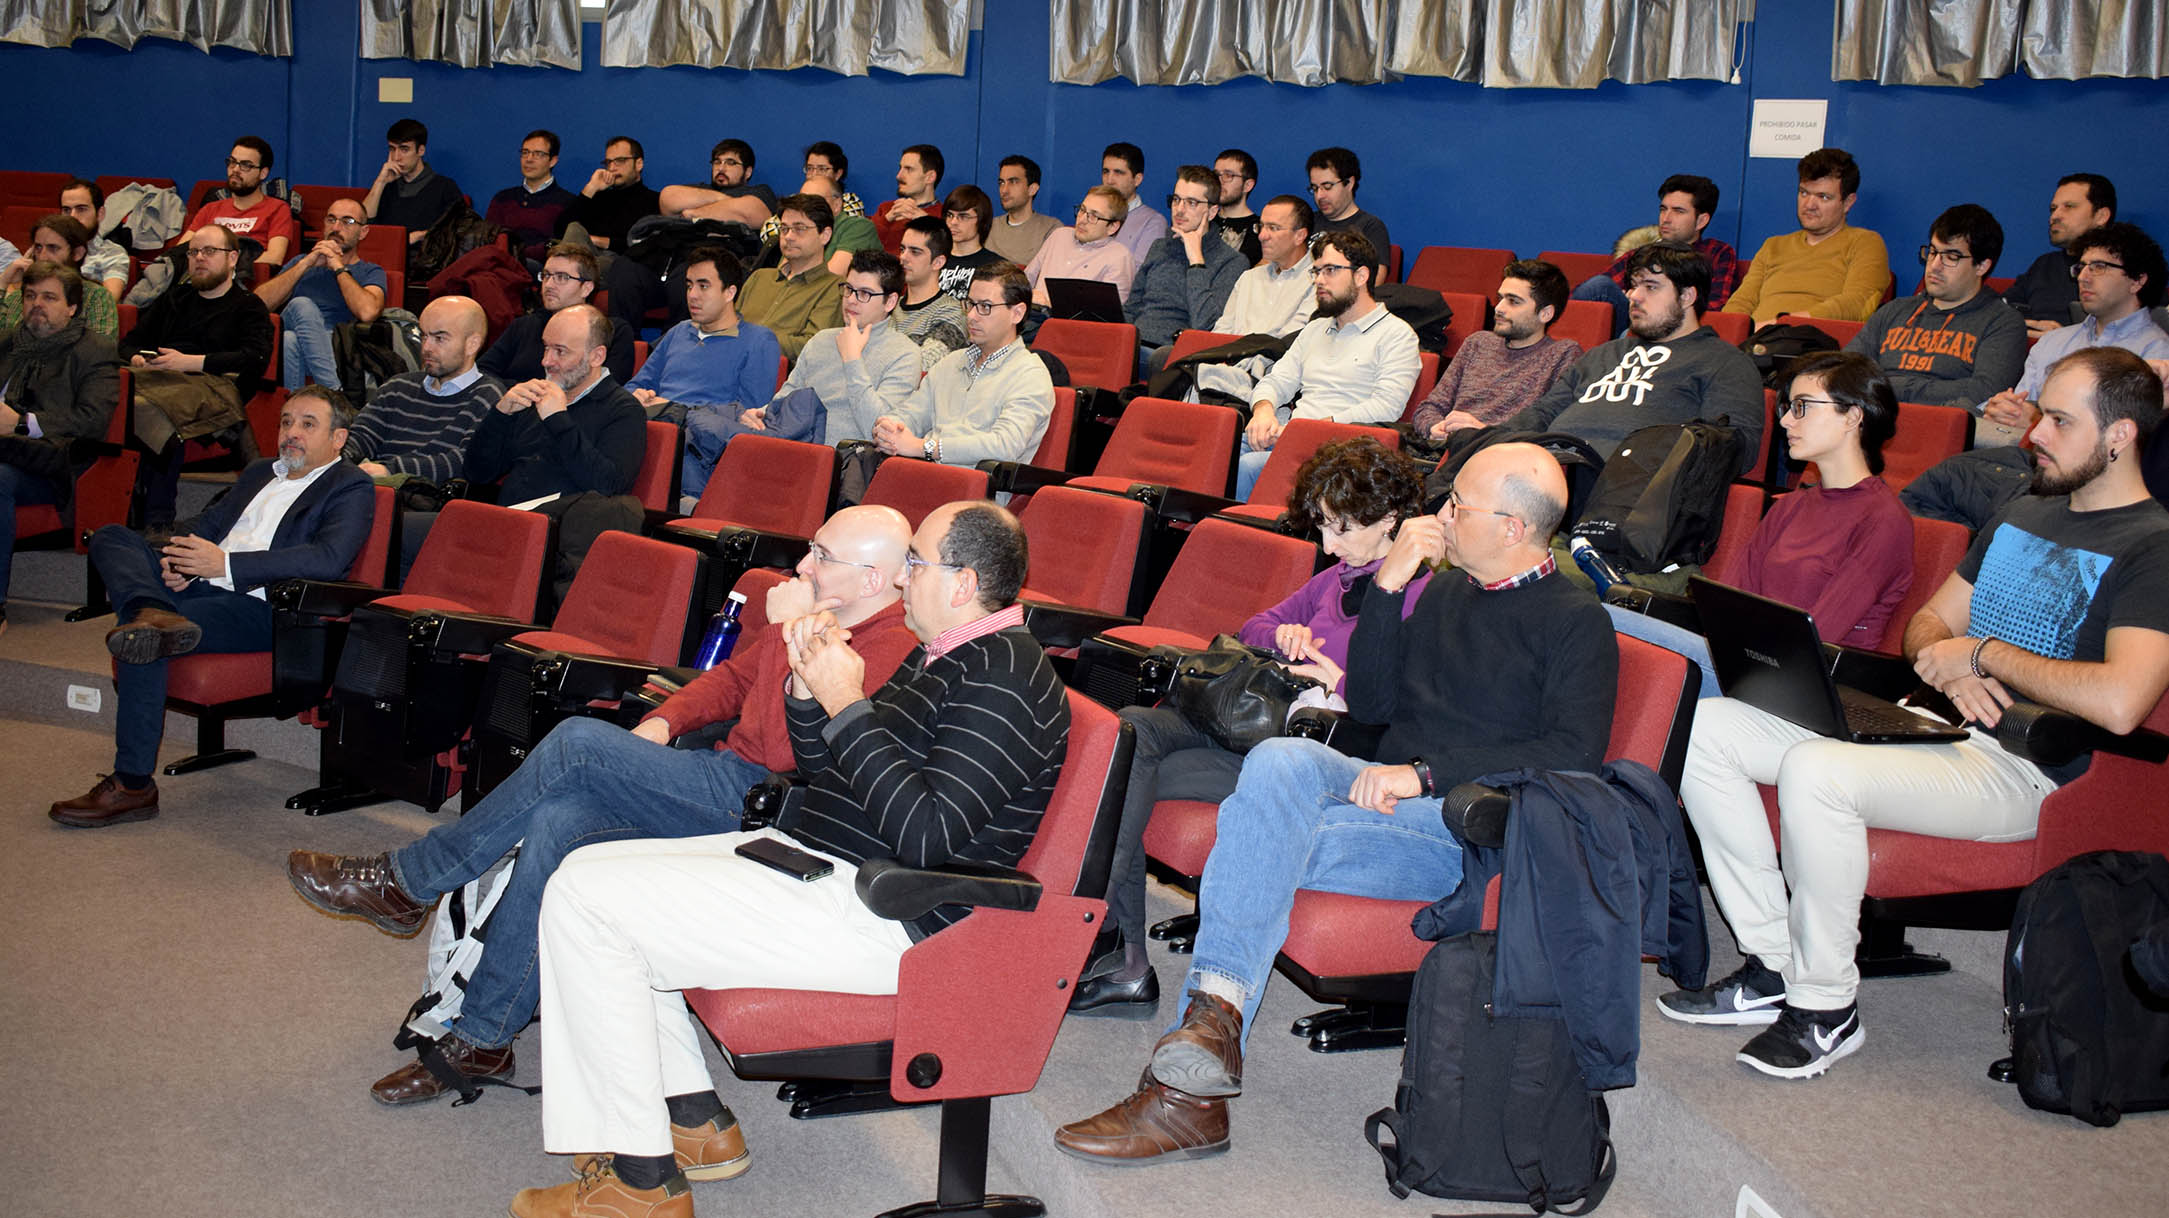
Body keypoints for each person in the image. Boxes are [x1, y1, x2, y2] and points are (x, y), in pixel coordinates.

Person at [1056, 441, 1616, 1163]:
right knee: (1278, 759)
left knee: (1254, 835)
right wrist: (1387, 587)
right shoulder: (1444, 592)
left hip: (1463, 826)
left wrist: (1427, 774)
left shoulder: (1575, 620)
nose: (1440, 515)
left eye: (1458, 506)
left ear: (1511, 527)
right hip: (1374, 787)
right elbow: (1378, 702)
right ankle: (1211, 1035)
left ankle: (1194, 1078)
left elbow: (1573, 755)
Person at [504, 501, 1067, 1215]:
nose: (902, 583)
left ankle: (640, 1185)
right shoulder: (945, 654)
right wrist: (808, 689)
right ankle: (690, 1122)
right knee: (583, 872)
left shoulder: (1001, 677)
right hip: (826, 863)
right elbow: (830, 767)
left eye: (916, 564)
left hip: (895, 913)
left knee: (591, 905)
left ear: (961, 584)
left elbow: (927, 837)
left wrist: (846, 701)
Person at [285, 504, 919, 1107]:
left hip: (766, 806)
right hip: (717, 773)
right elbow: (729, 681)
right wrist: (664, 723)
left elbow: (792, 753)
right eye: (810, 550)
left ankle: (408, 881)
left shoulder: (888, 647)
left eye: (822, 556)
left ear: (874, 578)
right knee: (560, 822)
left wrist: (788, 629)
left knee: (580, 742)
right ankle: (482, 1039)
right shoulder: (818, 619)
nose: (804, 566)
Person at [1661, 347, 2169, 1080]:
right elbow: (1926, 626)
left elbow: (2121, 702)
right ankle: (1774, 963)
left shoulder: (2150, 546)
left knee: (1815, 770)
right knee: (1706, 731)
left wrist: (1981, 656)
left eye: (2058, 421)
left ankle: (1824, 1006)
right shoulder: (2024, 510)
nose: (2033, 435)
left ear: (2119, 436)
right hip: (1941, 732)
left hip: (2033, 771)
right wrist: (1947, 656)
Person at [1076, 438, 1434, 1013]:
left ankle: (1112, 947)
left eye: (1341, 529)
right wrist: (1283, 638)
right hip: (1248, 720)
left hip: (1303, 754)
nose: (1328, 544)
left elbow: (1397, 709)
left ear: (1390, 520)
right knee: (1126, 732)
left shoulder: (1419, 597)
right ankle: (1110, 943)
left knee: (1121, 778)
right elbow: (1254, 626)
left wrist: (1336, 678)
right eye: (1321, 527)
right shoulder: (1336, 579)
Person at [49, 386, 371, 827]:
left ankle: (133, 784)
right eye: (286, 421)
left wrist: (226, 564)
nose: (291, 433)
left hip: (262, 607)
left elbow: (329, 558)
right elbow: (206, 526)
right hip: (198, 588)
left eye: (307, 424)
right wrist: (177, 559)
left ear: (338, 439)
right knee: (111, 536)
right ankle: (149, 606)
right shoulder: (259, 472)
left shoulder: (350, 485)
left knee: (143, 639)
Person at [1608, 351, 1915, 697]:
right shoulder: (1792, 505)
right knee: (1610, 621)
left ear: (1852, 416)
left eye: (1802, 407)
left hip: (1804, 686)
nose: (1785, 422)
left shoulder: (1883, 521)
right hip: (1747, 663)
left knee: (1611, 623)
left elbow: (1816, 639)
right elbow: (1729, 602)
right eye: (1787, 409)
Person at [414, 305, 643, 600]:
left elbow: (609, 485)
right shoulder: (536, 397)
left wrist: (557, 420)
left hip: (556, 541)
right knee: (399, 532)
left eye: (561, 351)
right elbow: (477, 473)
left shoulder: (622, 410)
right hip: (505, 525)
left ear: (596, 356)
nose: (547, 361)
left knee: (416, 538)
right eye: (546, 348)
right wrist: (501, 414)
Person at [1502, 242, 1764, 476]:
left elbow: (1738, 449)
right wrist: (1493, 441)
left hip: (1629, 484)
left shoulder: (1725, 362)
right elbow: (1543, 412)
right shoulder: (1603, 354)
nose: (1634, 296)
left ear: (1687, 297)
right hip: (1548, 470)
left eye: (1650, 287)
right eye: (1634, 286)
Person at [690, 251, 921, 492]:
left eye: (864, 294)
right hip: (788, 449)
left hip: (836, 469)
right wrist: (760, 413)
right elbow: (786, 397)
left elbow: (876, 431)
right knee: (701, 432)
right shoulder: (822, 341)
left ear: (891, 302)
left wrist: (852, 359)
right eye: (848, 289)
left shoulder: (905, 354)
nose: (851, 300)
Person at [1236, 230, 1419, 500]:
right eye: (1317, 271)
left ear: (1361, 276)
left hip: (1345, 449)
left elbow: (1387, 406)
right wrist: (1263, 411)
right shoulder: (1315, 329)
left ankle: (1237, 537)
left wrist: (1314, 428)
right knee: (1220, 448)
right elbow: (1277, 380)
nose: (1319, 281)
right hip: (1294, 437)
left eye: (1330, 270)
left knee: (1249, 466)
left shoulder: (1397, 335)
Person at [123, 223, 275, 531]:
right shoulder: (175, 298)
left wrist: (190, 363)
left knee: (160, 410)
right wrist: (139, 357)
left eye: (209, 251)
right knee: (109, 388)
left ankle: (157, 517)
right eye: (193, 252)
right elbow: (128, 343)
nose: (198, 259)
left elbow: (254, 358)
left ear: (232, 259)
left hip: (213, 387)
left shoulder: (248, 306)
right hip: (157, 379)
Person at [0, 262, 120, 636]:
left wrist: (21, 423)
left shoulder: (94, 350)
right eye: (31, 296)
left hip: (52, 466)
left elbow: (92, 419)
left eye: (49, 297)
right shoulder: (8, 341)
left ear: (72, 307)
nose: (37, 304)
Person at [1974, 221, 2169, 448]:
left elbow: (2126, 441)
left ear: (2137, 281)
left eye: (2098, 267)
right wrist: (2001, 408)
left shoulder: (2158, 355)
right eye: (2081, 267)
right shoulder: (2052, 342)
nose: (2083, 277)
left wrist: (2037, 421)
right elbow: (2021, 403)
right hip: (2015, 454)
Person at [1843, 204, 2026, 415]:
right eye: (1932, 252)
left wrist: (1891, 386)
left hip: (1941, 425)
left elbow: (1984, 391)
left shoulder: (2002, 322)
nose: (1934, 265)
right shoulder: (1893, 311)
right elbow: (1845, 371)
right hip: (1873, 418)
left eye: (1951, 257)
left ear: (1982, 266)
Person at [874, 263, 1053, 468]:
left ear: (1017, 313)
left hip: (976, 490)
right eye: (969, 304)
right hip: (924, 475)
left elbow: (1005, 445)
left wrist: (924, 447)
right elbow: (912, 413)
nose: (971, 316)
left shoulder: (1030, 374)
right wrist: (889, 426)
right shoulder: (951, 362)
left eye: (985, 307)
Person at [1410, 260, 1583, 440]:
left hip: (1502, 455)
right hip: (1447, 447)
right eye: (1500, 298)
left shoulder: (1563, 354)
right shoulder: (1478, 343)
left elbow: (1552, 430)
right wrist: (1434, 427)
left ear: (1545, 313)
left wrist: (1483, 432)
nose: (1499, 308)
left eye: (1513, 302)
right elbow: (1429, 408)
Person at [627, 246, 781, 442]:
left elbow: (749, 414)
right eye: (689, 285)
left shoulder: (759, 340)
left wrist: (674, 408)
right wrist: (637, 395)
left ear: (729, 293)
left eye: (704, 286)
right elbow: (636, 385)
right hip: (651, 429)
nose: (692, 295)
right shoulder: (680, 331)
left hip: (700, 442)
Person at [341, 296, 501, 485]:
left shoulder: (489, 397)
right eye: (424, 335)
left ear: (472, 344)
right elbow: (359, 437)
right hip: (371, 488)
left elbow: (468, 462)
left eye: (439, 338)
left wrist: (391, 470)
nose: (426, 348)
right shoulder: (397, 387)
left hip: (426, 501)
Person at [1723, 148, 1891, 326]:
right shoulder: (1773, 245)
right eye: (1804, 193)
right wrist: (1728, 331)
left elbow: (1856, 304)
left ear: (1848, 202)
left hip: (1813, 344)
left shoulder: (1865, 243)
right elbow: (1742, 301)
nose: (1809, 205)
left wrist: (1781, 325)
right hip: (1749, 343)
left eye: (1823, 197)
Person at [1570, 174, 1744, 336]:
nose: (1666, 218)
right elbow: (1602, 289)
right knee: (1599, 286)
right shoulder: (1645, 252)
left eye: (1678, 211)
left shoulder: (1716, 253)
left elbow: (1715, 307)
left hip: (1677, 324)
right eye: (1663, 209)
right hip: (1633, 316)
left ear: (1701, 220)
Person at [252, 197, 387, 391]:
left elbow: (368, 312)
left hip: (336, 346)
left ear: (363, 232)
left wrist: (338, 267)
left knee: (290, 340)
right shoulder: (301, 262)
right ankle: (333, 391)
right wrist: (306, 264)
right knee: (301, 304)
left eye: (347, 221)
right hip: (314, 347)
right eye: (331, 219)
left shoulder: (370, 271)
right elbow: (257, 306)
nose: (336, 227)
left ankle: (297, 407)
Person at [1129, 165, 1248, 371]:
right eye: (1176, 200)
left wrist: (1196, 261)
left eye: (1191, 203)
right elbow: (1131, 307)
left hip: (1175, 354)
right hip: (1135, 345)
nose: (1179, 209)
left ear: (1212, 212)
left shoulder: (1232, 262)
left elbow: (1207, 326)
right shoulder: (1160, 247)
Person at [477, 243, 638, 385]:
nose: (549, 284)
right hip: (515, 410)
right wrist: (520, 390)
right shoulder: (524, 325)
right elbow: (482, 372)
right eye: (546, 275)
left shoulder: (613, 330)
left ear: (587, 288)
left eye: (562, 277)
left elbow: (608, 385)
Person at [2002, 173, 2116, 337]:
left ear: (2101, 216)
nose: (2054, 217)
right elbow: (2000, 309)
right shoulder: (2044, 265)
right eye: (2053, 209)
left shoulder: (2124, 270)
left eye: (2069, 206)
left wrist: (2063, 339)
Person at [736, 193, 846, 362]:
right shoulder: (759, 277)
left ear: (825, 235)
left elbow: (813, 346)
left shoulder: (834, 288)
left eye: (799, 228)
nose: (788, 236)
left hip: (780, 378)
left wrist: (753, 340)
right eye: (784, 228)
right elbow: (730, 325)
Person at [177, 136, 297, 269]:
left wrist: (219, 264)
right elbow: (179, 252)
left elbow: (274, 258)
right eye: (232, 162)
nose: (235, 169)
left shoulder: (278, 209)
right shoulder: (210, 209)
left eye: (245, 165)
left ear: (263, 173)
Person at [0, 215, 119, 337]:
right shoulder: (17, 297)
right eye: (38, 247)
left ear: (77, 253)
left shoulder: (96, 296)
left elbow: (100, 351)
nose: (42, 257)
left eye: (53, 248)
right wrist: (3, 282)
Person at [362, 117, 465, 253]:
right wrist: (380, 182)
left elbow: (460, 232)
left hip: (425, 261)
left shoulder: (444, 187)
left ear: (420, 150)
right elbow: (362, 224)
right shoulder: (387, 186)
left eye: (404, 149)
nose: (396, 157)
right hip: (386, 257)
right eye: (392, 149)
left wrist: (419, 236)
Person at [1024, 187, 1135, 307]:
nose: (1081, 220)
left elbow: (1106, 315)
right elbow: (1026, 280)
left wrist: (1050, 304)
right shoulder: (1059, 235)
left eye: (1093, 216)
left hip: (1066, 323)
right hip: (1029, 313)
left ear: (1112, 227)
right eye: (1082, 210)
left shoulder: (1119, 257)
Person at [486, 129, 583, 266]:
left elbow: (559, 248)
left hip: (540, 268)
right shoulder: (502, 198)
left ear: (553, 161)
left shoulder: (567, 203)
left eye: (538, 154)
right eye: (525, 153)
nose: (529, 159)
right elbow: (487, 239)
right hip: (499, 263)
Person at [558, 136, 661, 253]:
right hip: (582, 259)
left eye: (620, 161)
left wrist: (598, 241)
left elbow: (647, 245)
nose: (612, 168)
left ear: (639, 164)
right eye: (608, 162)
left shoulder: (655, 201)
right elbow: (561, 231)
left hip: (621, 263)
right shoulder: (599, 198)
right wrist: (591, 188)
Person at [894, 216, 968, 370]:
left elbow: (923, 366)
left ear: (938, 262)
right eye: (902, 249)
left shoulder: (951, 312)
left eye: (915, 252)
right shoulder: (887, 305)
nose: (903, 257)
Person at [657, 137, 779, 230]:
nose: (721, 168)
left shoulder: (760, 191)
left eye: (730, 163)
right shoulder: (702, 188)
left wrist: (693, 213)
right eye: (717, 162)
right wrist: (721, 199)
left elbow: (753, 215)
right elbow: (667, 197)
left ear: (748, 172)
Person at [757, 141, 864, 246]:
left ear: (838, 174)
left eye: (822, 169)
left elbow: (842, 231)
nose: (814, 174)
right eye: (810, 168)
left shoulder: (848, 201)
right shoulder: (795, 199)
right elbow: (767, 233)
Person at [1306, 147, 1389, 278]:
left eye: (1327, 187)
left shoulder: (1370, 227)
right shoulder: (1307, 221)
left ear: (1349, 183)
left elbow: (1373, 283)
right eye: (1315, 188)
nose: (1319, 195)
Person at [57, 178, 131, 299]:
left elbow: (108, 303)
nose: (72, 217)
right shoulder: (48, 248)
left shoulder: (113, 254)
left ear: (100, 214)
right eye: (66, 210)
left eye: (81, 209)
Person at [1100, 142, 1167, 268]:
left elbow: (1139, 274)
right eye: (1106, 172)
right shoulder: (1092, 214)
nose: (1109, 180)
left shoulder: (1153, 222)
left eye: (1118, 173)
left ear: (1137, 179)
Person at [986, 154, 1060, 267]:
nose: (1004, 190)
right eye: (1001, 183)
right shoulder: (988, 227)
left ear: (1032, 189)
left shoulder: (1051, 229)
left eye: (1013, 182)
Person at [871, 144, 944, 254]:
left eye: (909, 169)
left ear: (930, 177)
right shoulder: (886, 209)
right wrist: (886, 219)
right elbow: (861, 245)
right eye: (900, 168)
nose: (899, 176)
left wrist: (927, 222)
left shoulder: (945, 216)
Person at [936, 184, 1003, 299]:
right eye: (950, 215)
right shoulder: (933, 260)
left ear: (981, 221)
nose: (953, 222)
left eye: (963, 216)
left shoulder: (996, 266)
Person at [1209, 149, 1263, 266]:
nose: (1219, 181)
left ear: (1247, 185)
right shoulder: (1203, 222)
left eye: (1228, 175)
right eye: (1216, 174)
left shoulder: (1261, 232)